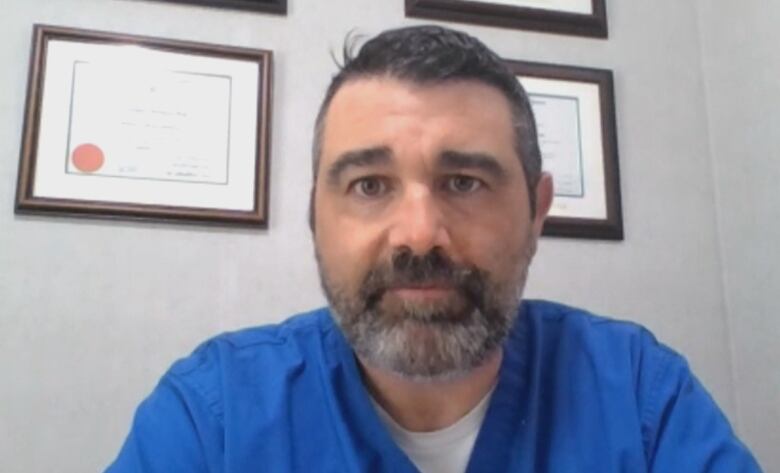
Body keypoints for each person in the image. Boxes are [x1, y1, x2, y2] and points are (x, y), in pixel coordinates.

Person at [106, 25, 762, 472]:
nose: (420, 233)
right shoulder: (211, 416)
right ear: (314, 216)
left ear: (537, 211)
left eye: (463, 182)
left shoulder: (641, 397)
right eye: (369, 184)